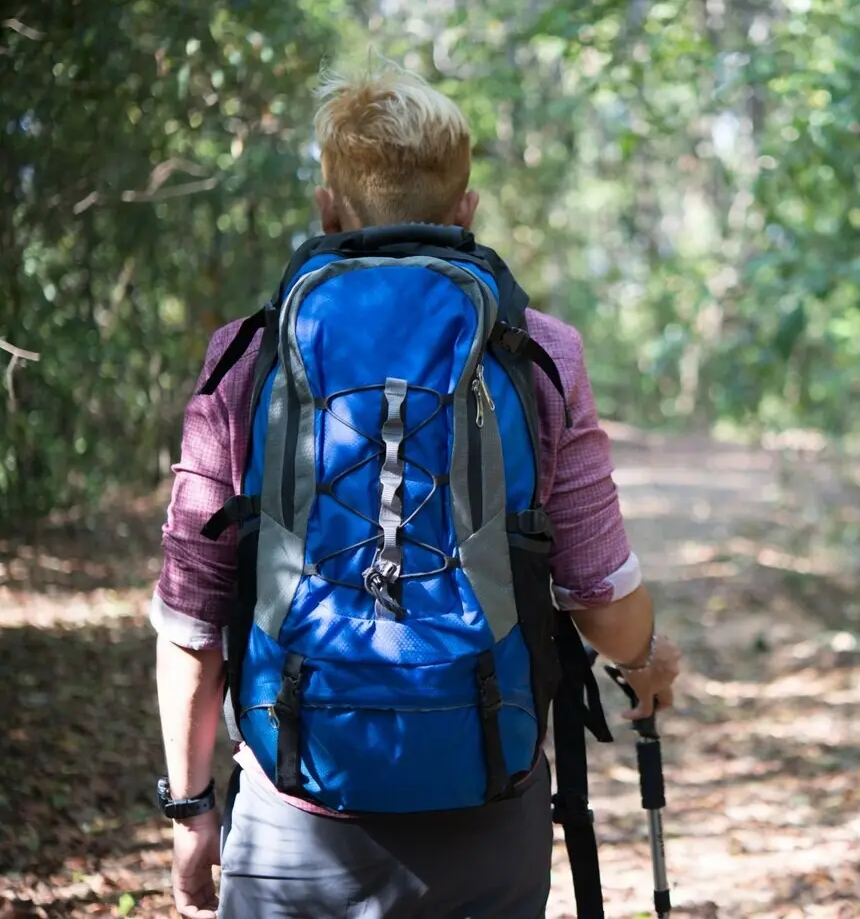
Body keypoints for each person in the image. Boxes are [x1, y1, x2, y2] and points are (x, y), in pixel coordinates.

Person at [150, 59, 682, 919]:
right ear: (466, 210)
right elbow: (600, 594)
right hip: (487, 798)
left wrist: (190, 813)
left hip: (293, 812)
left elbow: (191, 616)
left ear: (328, 208)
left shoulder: (247, 354)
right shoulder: (541, 351)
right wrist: (647, 660)